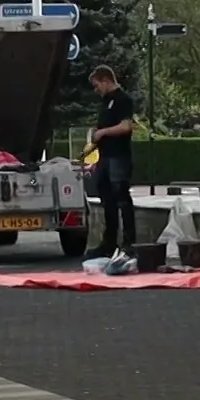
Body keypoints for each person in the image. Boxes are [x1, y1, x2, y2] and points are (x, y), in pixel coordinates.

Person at [82, 64, 137, 259]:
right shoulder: (106, 102)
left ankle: (130, 242)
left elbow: (126, 126)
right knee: (107, 200)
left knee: (121, 197)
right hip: (105, 157)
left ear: (106, 80)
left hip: (118, 156)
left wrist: (103, 132)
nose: (96, 90)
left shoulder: (123, 100)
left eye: (97, 86)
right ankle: (109, 243)